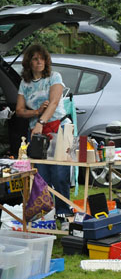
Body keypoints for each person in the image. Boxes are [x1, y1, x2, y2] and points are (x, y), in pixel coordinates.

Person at [16, 44, 72, 216]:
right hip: (36, 133)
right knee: (41, 176)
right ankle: (45, 213)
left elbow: (54, 103)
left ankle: (63, 212)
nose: (39, 61)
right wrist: (36, 112)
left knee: (60, 174)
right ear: (29, 63)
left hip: (59, 129)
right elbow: (19, 110)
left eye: (42, 58)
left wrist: (41, 121)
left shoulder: (54, 77)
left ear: (46, 61)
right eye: (35, 58)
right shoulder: (24, 83)